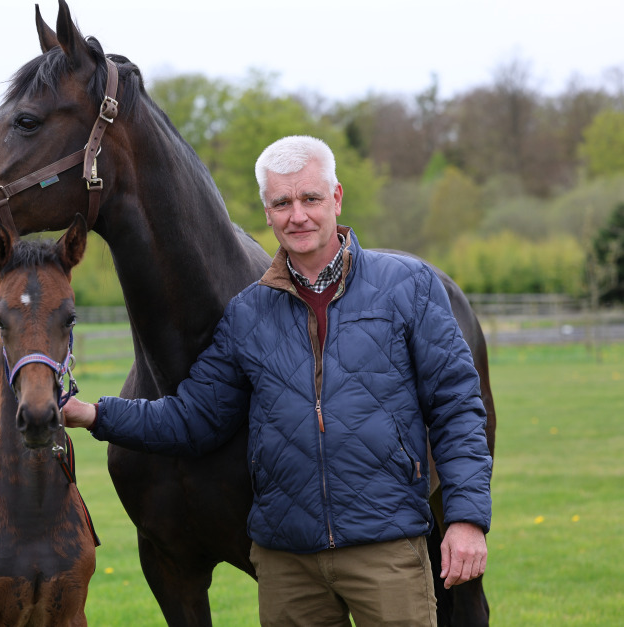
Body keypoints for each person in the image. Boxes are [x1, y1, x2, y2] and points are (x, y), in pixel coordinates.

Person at [63, 135, 492, 626]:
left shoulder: (409, 286)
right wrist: (93, 414)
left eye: (310, 198)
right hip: (288, 564)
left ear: (336, 198)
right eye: (282, 203)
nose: (298, 215)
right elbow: (193, 417)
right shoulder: (248, 314)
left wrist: (465, 519)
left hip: (385, 548)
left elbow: (457, 408)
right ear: (267, 212)